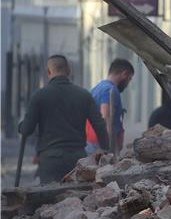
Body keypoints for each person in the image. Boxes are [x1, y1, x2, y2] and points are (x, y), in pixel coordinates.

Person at [19, 55, 109, 184]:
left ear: (48, 72)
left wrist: (21, 127)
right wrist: (105, 149)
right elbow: (99, 124)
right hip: (77, 159)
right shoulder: (83, 95)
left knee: (50, 200)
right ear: (68, 70)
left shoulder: (39, 96)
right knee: (76, 199)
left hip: (50, 160)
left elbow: (27, 129)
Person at [86, 58, 135, 154]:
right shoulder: (110, 90)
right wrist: (111, 149)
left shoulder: (97, 87)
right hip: (100, 148)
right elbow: (106, 117)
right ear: (124, 74)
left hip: (92, 143)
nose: (128, 84)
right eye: (129, 79)